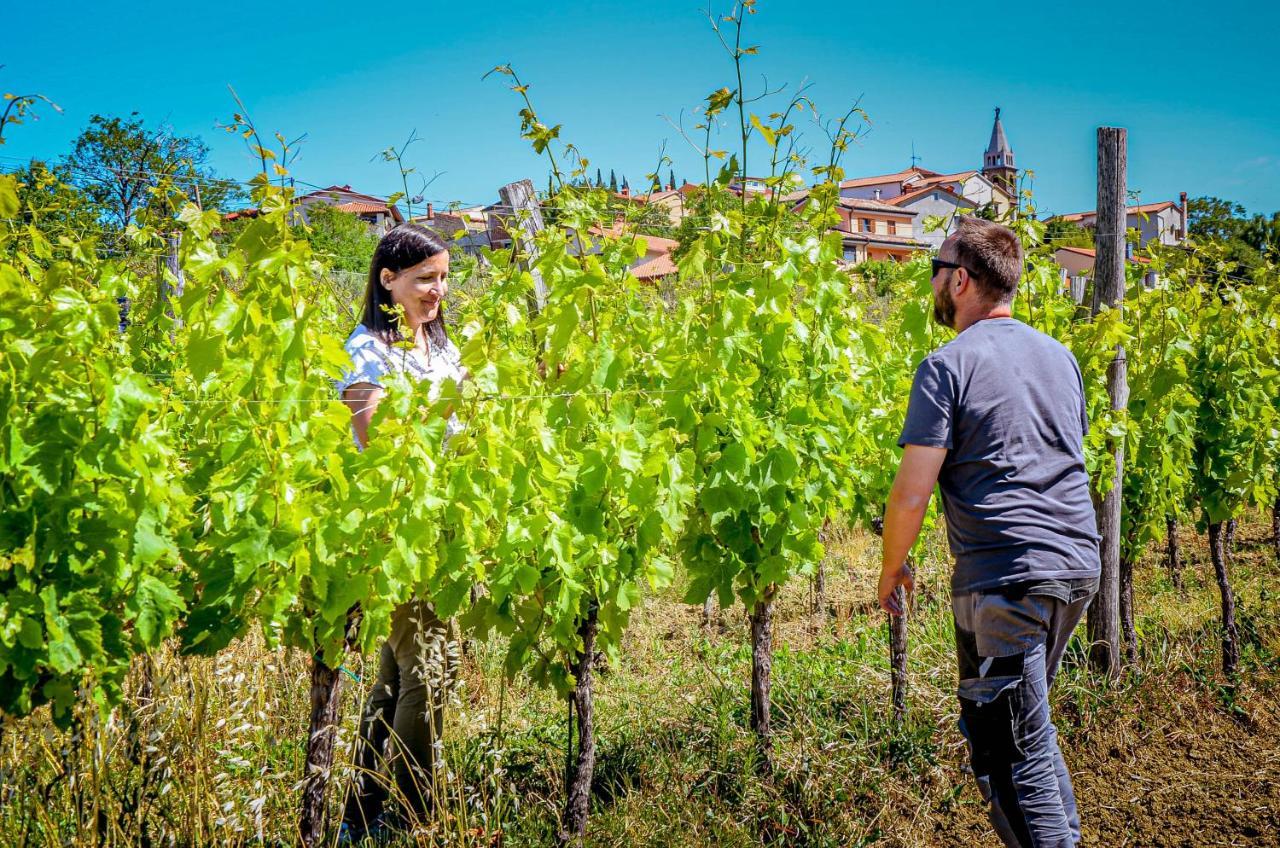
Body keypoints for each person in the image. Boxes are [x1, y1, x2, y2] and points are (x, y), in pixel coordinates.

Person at [877, 217, 1101, 847]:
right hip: (1076, 569)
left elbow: (913, 490)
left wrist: (892, 568)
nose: (934, 284)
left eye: (936, 272)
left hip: (1006, 578)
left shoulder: (947, 365)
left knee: (1007, 755)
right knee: (1026, 731)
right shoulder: (1060, 357)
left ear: (962, 280)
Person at [337, 223, 463, 841]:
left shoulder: (439, 347)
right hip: (397, 526)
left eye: (442, 277)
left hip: (442, 522)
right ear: (388, 280)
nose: (437, 290)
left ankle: (360, 817)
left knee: (397, 676)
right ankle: (412, 817)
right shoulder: (370, 350)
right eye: (424, 279)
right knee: (434, 669)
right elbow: (374, 442)